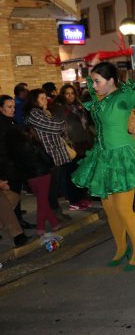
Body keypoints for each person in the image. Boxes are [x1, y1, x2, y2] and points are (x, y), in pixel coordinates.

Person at [71, 40, 135, 271]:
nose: (94, 86)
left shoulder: (121, 98)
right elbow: (90, 84)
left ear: (111, 81)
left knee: (123, 209)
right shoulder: (100, 99)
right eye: (94, 82)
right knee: (109, 210)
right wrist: (93, 68)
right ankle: (120, 247)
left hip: (122, 159)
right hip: (102, 158)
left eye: (98, 82)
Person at [24, 88, 72, 222]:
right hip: (48, 155)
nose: (46, 100)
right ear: (34, 101)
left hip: (54, 153)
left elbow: (58, 127)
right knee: (50, 188)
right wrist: (63, 123)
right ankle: (54, 214)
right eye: (42, 98)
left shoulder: (43, 112)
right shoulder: (34, 114)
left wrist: (60, 124)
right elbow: (55, 127)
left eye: (46, 97)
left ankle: (56, 212)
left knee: (54, 186)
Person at [50, 84, 93, 211]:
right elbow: (59, 128)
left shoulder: (79, 107)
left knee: (82, 171)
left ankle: (82, 197)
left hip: (83, 143)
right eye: (67, 93)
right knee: (71, 173)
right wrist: (68, 142)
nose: (70, 96)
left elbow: (86, 125)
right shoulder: (60, 109)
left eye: (72, 93)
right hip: (72, 145)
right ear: (62, 95)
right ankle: (74, 200)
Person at [0, 95, 32, 247]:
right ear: (1, 108)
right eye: (9, 107)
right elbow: (2, 151)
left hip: (15, 166)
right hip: (8, 168)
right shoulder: (2, 124)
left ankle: (18, 224)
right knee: (10, 198)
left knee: (13, 197)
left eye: (13, 106)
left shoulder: (11, 121)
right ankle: (17, 230)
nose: (13, 109)